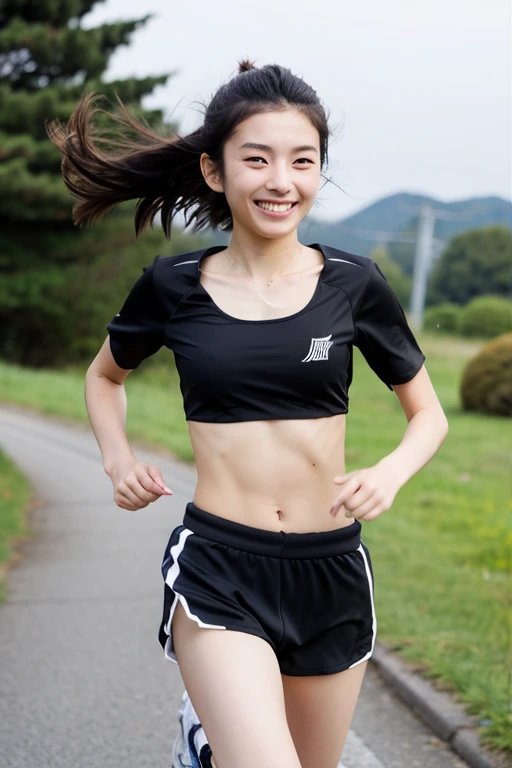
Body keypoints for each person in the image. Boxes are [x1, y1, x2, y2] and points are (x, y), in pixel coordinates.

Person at [47, 59, 449, 768]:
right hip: (221, 566)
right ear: (213, 170)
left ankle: (203, 748)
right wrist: (118, 461)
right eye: (256, 159)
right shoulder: (173, 286)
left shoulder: (354, 284)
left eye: (303, 161)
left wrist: (390, 473)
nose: (280, 181)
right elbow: (103, 376)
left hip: (333, 571)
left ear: (319, 172)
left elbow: (429, 417)